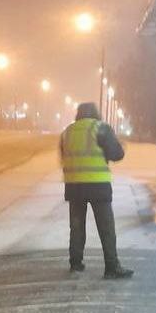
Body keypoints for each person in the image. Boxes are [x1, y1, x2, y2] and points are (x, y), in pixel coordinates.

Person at [59, 101, 134, 279]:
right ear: (96, 113)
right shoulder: (100, 128)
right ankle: (111, 266)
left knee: (76, 226)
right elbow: (117, 154)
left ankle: (75, 263)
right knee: (106, 227)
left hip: (74, 186)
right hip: (97, 185)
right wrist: (121, 146)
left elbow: (64, 157)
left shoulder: (67, 132)